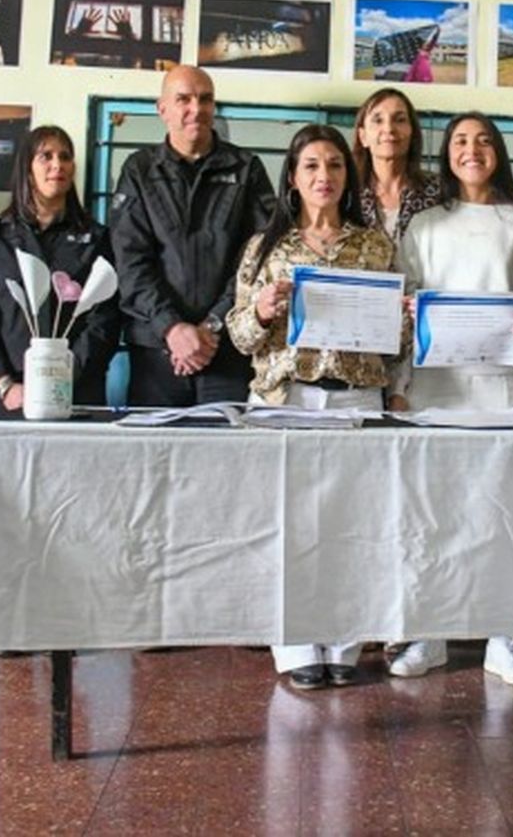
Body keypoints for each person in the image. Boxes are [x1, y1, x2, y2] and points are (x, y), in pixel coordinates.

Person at [226, 124, 406, 690]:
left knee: (354, 527)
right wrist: (259, 309)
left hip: (356, 397)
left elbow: (395, 343)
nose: (323, 176)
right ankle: (296, 648)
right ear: (293, 177)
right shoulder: (266, 246)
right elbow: (239, 336)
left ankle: (345, 645)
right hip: (286, 398)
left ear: (347, 175)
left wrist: (402, 318)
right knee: (287, 525)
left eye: (333, 165)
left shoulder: (374, 244)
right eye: (310, 166)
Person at [391, 112, 513, 683]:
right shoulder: (426, 224)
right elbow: (404, 298)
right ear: (446, 155)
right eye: (460, 141)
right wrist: (405, 364)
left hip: (503, 385)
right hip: (437, 385)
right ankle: (430, 634)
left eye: (483, 140)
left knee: (502, 512)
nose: (472, 149)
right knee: (433, 513)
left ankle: (503, 635)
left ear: (499, 151)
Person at [111, 65, 275, 406]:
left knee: (226, 457)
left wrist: (211, 327)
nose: (195, 109)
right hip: (157, 351)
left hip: (227, 350)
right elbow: (130, 262)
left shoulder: (247, 168)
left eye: (205, 99)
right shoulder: (138, 170)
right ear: (163, 109)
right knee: (154, 457)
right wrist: (172, 328)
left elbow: (258, 259)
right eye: (183, 99)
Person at [0, 126, 120, 416]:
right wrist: (3, 381)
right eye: (46, 156)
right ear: (27, 168)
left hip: (77, 389)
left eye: (65, 157)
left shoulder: (97, 238)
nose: (57, 165)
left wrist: (65, 377)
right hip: (10, 393)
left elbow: (105, 319)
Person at [351, 87, 441, 241]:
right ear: (363, 136)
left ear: (412, 133)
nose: (389, 129)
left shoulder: (439, 191)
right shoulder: (347, 193)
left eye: (399, 120)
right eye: (378, 120)